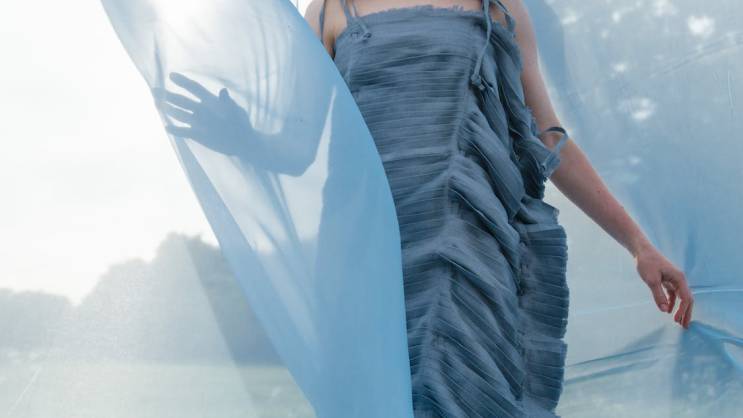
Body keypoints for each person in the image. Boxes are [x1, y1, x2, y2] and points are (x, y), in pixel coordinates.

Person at [299, 0, 694, 416]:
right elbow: (298, 142)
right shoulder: (328, 10)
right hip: (362, 260)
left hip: (464, 254)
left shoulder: (499, 8)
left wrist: (639, 246)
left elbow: (548, 139)